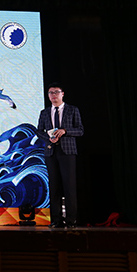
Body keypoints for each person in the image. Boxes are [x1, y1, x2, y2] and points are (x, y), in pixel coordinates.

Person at [36, 82, 84, 228]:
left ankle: (71, 220)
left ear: (62, 94)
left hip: (67, 152)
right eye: (51, 93)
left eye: (56, 92)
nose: (53, 95)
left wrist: (65, 131)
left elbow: (80, 130)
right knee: (54, 186)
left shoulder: (72, 110)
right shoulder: (44, 112)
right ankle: (56, 220)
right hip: (51, 152)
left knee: (69, 186)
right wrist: (48, 138)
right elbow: (39, 131)